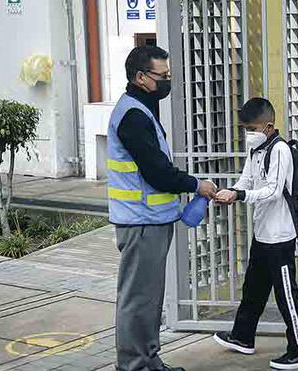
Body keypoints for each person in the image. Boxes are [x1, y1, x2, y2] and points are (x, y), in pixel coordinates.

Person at [108, 45, 217, 371]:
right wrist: (196, 185)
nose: (167, 82)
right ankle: (135, 366)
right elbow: (157, 172)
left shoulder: (141, 108)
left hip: (150, 220)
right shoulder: (133, 116)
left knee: (149, 299)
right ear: (141, 77)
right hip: (140, 222)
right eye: (162, 76)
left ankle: (148, 360)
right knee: (138, 300)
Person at [212, 98, 298, 370]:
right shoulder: (256, 149)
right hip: (262, 233)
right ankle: (243, 336)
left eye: (252, 128)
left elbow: (272, 190)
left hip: (280, 236)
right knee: (254, 289)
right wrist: (231, 192)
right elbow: (246, 180)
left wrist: (240, 195)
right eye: (244, 128)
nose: (248, 134)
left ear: (268, 126)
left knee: (286, 295)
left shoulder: (280, 150)